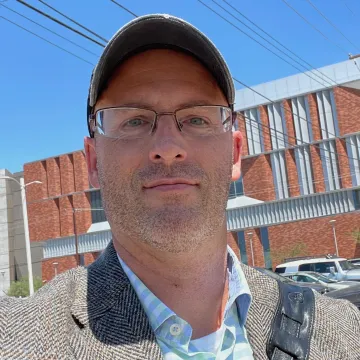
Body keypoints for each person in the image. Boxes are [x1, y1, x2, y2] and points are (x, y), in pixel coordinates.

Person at [1, 14, 359, 360]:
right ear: (94, 162)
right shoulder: (20, 336)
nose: (169, 146)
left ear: (235, 154)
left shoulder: (344, 331)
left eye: (196, 118)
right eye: (135, 119)